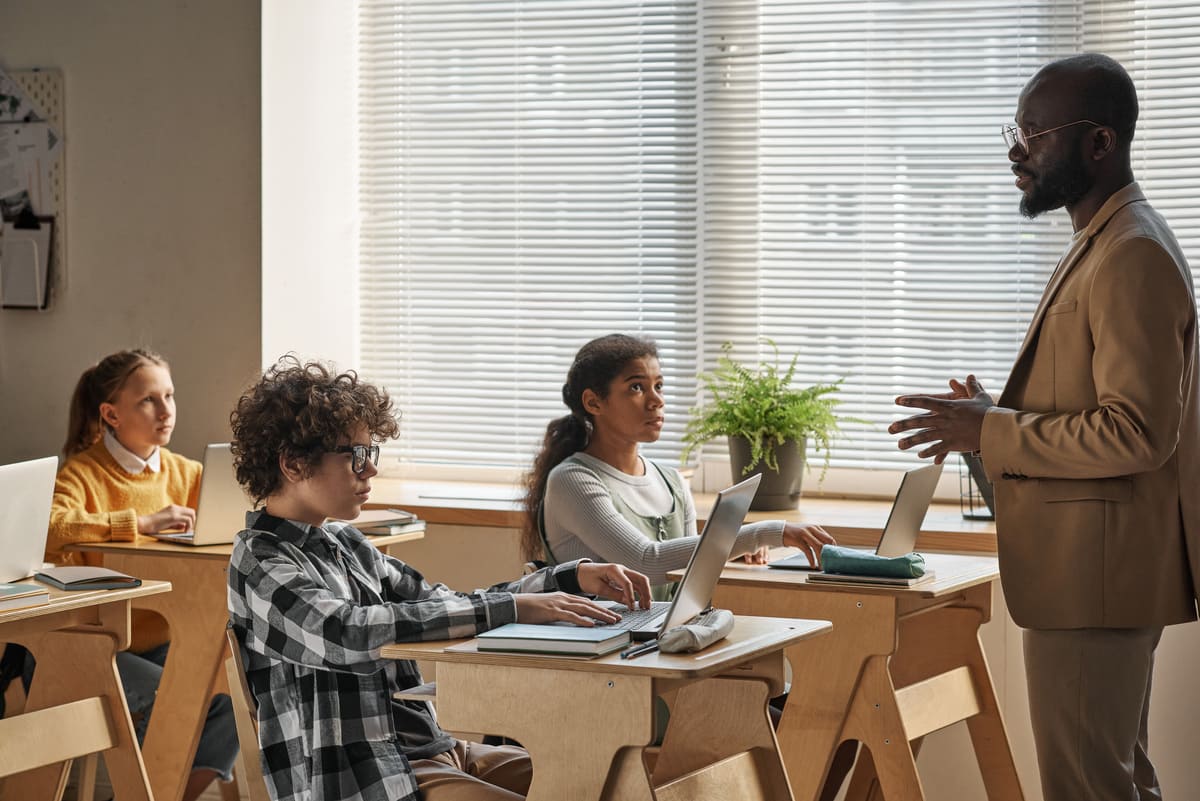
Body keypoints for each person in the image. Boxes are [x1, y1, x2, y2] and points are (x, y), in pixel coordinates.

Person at [888, 54, 1200, 801]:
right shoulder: (1103, 240)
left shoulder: (1130, 253)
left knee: (1086, 788)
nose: (1015, 151)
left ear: (1100, 143)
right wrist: (1001, 411)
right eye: (1016, 131)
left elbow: (1138, 433)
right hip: (1090, 575)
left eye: (1034, 132)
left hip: (1092, 581)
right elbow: (1100, 404)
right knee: (1116, 780)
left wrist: (992, 430)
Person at [226, 357, 652, 801]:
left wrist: (565, 581)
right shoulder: (259, 560)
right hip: (369, 777)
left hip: (437, 749)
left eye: (371, 454)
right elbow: (344, 632)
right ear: (293, 464)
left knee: (608, 778)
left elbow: (445, 602)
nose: (370, 469)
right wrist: (514, 609)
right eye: (356, 455)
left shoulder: (345, 544)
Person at [46, 348, 239, 801]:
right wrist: (140, 523)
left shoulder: (188, 472)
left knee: (238, 692)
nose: (166, 410)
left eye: (169, 395)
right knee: (177, 699)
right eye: (148, 400)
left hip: (165, 639)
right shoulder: (81, 474)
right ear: (111, 414)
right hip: (95, 642)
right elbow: (52, 527)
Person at [521, 333, 836, 598]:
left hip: (658, 641)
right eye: (636, 387)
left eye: (659, 386)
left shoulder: (671, 480)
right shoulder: (572, 480)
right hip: (600, 650)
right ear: (593, 403)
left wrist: (731, 549)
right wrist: (763, 533)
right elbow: (646, 562)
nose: (656, 400)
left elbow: (685, 574)